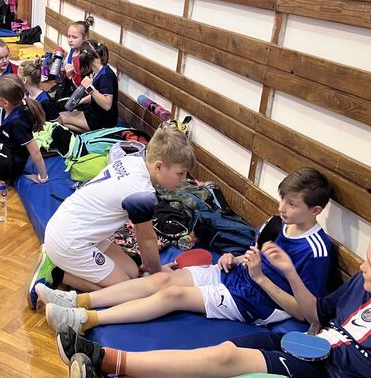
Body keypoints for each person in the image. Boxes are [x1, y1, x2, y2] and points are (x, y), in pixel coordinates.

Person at [59, 233, 371, 378]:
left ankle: (107, 361)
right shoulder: (361, 285)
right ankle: (108, 358)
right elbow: (316, 315)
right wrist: (288, 272)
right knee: (219, 352)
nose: (361, 267)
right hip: (307, 345)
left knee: (226, 360)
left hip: (331, 372)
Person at [41, 168, 334, 334]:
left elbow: (307, 314)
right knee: (159, 279)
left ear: (316, 210)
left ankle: (84, 319)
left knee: (172, 295)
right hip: (234, 275)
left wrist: (260, 278)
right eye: (282, 199)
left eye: (292, 204)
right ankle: (75, 299)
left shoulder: (317, 251)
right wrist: (237, 259)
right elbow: (253, 256)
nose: (281, 207)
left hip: (255, 302)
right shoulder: (275, 222)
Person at [28, 125, 195, 309]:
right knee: (130, 291)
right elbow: (147, 240)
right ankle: (58, 272)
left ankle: (60, 263)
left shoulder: (131, 161)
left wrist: (151, 267)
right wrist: (158, 275)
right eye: (180, 173)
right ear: (159, 166)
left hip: (68, 227)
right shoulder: (141, 191)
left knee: (133, 272)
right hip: (70, 242)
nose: (183, 180)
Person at [58, 40, 118, 133]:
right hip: (94, 113)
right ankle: (91, 133)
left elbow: (107, 105)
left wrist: (90, 87)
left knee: (59, 118)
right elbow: (97, 96)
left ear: (84, 58)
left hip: (102, 120)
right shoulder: (97, 71)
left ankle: (97, 132)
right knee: (65, 124)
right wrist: (79, 102)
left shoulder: (106, 76)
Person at [63, 16, 94, 88]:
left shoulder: (85, 57)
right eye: (69, 36)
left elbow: (83, 85)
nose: (70, 40)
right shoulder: (72, 50)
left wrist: (71, 75)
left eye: (74, 37)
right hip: (68, 85)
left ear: (85, 38)